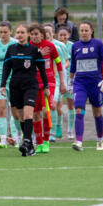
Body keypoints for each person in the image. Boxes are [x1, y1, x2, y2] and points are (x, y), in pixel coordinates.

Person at [0, 24, 49, 156]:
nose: (20, 35)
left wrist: (46, 86)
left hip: (30, 86)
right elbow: (6, 68)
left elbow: (42, 69)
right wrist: (3, 84)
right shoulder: (11, 49)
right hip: (15, 86)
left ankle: (27, 141)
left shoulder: (34, 50)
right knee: (20, 116)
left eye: (22, 32)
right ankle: (30, 145)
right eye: (18, 32)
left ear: (27, 34)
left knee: (28, 115)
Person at [68, 21, 103, 151]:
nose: (84, 33)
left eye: (86, 30)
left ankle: (100, 139)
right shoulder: (75, 46)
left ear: (91, 31)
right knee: (79, 110)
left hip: (95, 84)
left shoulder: (98, 44)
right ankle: (79, 141)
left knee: (97, 113)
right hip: (80, 83)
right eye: (82, 30)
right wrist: (70, 81)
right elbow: (73, 65)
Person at [29, 23, 66, 153]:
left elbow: (59, 64)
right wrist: (37, 54)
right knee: (35, 114)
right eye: (32, 34)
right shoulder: (29, 47)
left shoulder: (50, 46)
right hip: (33, 83)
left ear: (42, 35)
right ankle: (39, 144)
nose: (34, 37)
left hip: (48, 82)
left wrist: (62, 82)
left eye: (36, 34)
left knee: (46, 110)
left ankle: (46, 141)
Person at [0, 21, 19, 148]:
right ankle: (3, 140)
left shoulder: (15, 44)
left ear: (10, 32)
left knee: (15, 110)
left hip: (13, 80)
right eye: (0, 32)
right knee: (1, 109)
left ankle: (16, 138)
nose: (3, 34)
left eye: (5, 32)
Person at [43, 23, 69, 141]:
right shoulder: (39, 48)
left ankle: (56, 128)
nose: (46, 35)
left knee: (56, 106)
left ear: (52, 34)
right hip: (44, 80)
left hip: (57, 79)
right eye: (44, 33)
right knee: (49, 106)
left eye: (48, 33)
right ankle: (50, 131)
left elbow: (63, 64)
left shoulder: (58, 46)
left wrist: (63, 81)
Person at [57, 26, 76, 140]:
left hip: (69, 79)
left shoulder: (72, 46)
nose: (63, 37)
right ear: (57, 35)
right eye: (61, 35)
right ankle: (58, 127)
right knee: (57, 105)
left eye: (65, 35)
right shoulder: (55, 46)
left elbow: (70, 62)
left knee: (70, 104)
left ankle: (70, 130)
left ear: (68, 35)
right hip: (58, 79)